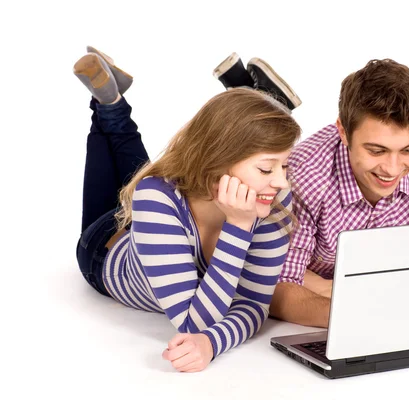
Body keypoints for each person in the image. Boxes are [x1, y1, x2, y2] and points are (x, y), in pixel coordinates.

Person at [74, 46, 302, 372]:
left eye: (285, 166)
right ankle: (108, 106)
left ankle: (113, 104)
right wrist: (238, 226)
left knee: (140, 177)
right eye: (267, 170)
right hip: (103, 248)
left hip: (157, 225)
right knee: (138, 181)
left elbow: (253, 303)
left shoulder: (272, 198)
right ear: (218, 163)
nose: (281, 182)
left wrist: (213, 342)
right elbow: (193, 324)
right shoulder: (155, 197)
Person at [214, 57, 409, 328]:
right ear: (342, 131)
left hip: (331, 284)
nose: (392, 169)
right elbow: (273, 286)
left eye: (408, 150)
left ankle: (263, 97)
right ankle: (254, 98)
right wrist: (365, 314)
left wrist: (332, 289)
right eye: (376, 151)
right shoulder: (303, 175)